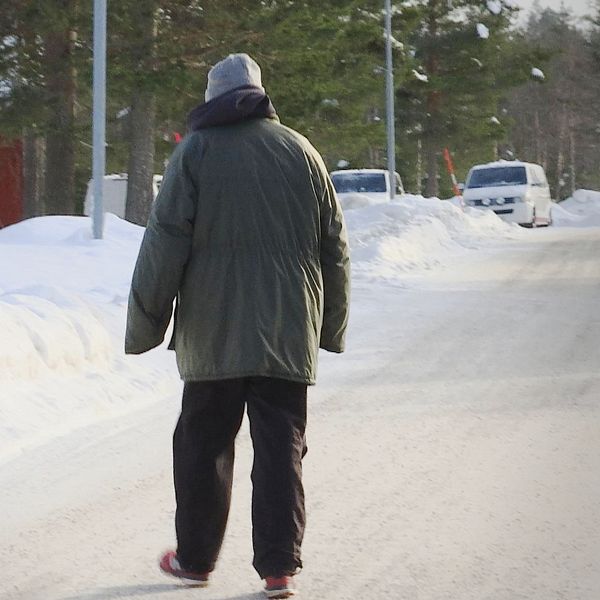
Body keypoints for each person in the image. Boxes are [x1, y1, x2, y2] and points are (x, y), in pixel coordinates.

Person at [125, 53, 350, 599]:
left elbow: (164, 243)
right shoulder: (302, 151)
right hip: (287, 327)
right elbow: (334, 248)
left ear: (212, 100)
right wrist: (330, 326)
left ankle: (196, 560)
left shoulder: (196, 152)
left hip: (213, 331)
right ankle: (279, 569)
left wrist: (146, 324)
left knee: (203, 445)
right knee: (281, 448)